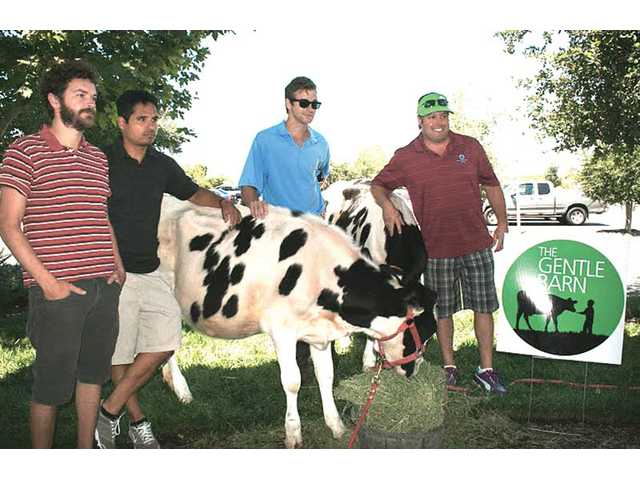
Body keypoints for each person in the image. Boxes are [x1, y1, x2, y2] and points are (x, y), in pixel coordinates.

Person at [94, 90, 241, 449]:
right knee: (121, 353)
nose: (150, 127)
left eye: (154, 119)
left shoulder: (161, 164)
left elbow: (192, 192)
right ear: (122, 123)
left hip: (150, 268)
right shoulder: (102, 161)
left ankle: (109, 410)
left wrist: (222, 201)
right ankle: (138, 422)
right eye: (142, 119)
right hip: (114, 272)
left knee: (166, 341)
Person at [0, 60, 125, 448]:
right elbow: (7, 224)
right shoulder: (25, 151)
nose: (91, 102)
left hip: (103, 287)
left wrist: (116, 265)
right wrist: (49, 283)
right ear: (55, 100)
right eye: (80, 95)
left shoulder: (98, 158)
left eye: (93, 96)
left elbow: (100, 214)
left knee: (92, 377)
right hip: (58, 292)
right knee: (51, 387)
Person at [370, 92, 509, 394]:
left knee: (483, 307)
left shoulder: (470, 147)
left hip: (476, 244)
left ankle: (487, 370)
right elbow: (378, 185)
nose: (438, 121)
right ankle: (449, 367)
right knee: (442, 311)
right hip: (436, 250)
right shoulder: (406, 156)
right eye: (431, 116)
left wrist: (501, 222)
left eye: (443, 115)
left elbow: (492, 184)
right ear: (420, 120)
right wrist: (387, 206)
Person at [238, 76, 330, 381]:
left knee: (320, 294)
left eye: (314, 103)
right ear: (288, 104)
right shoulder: (264, 140)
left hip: (315, 230)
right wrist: (252, 203)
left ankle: (324, 352)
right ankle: (297, 358)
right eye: (304, 102)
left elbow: (319, 179)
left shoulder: (321, 144)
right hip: (280, 233)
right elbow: (249, 185)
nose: (310, 108)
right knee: (291, 298)